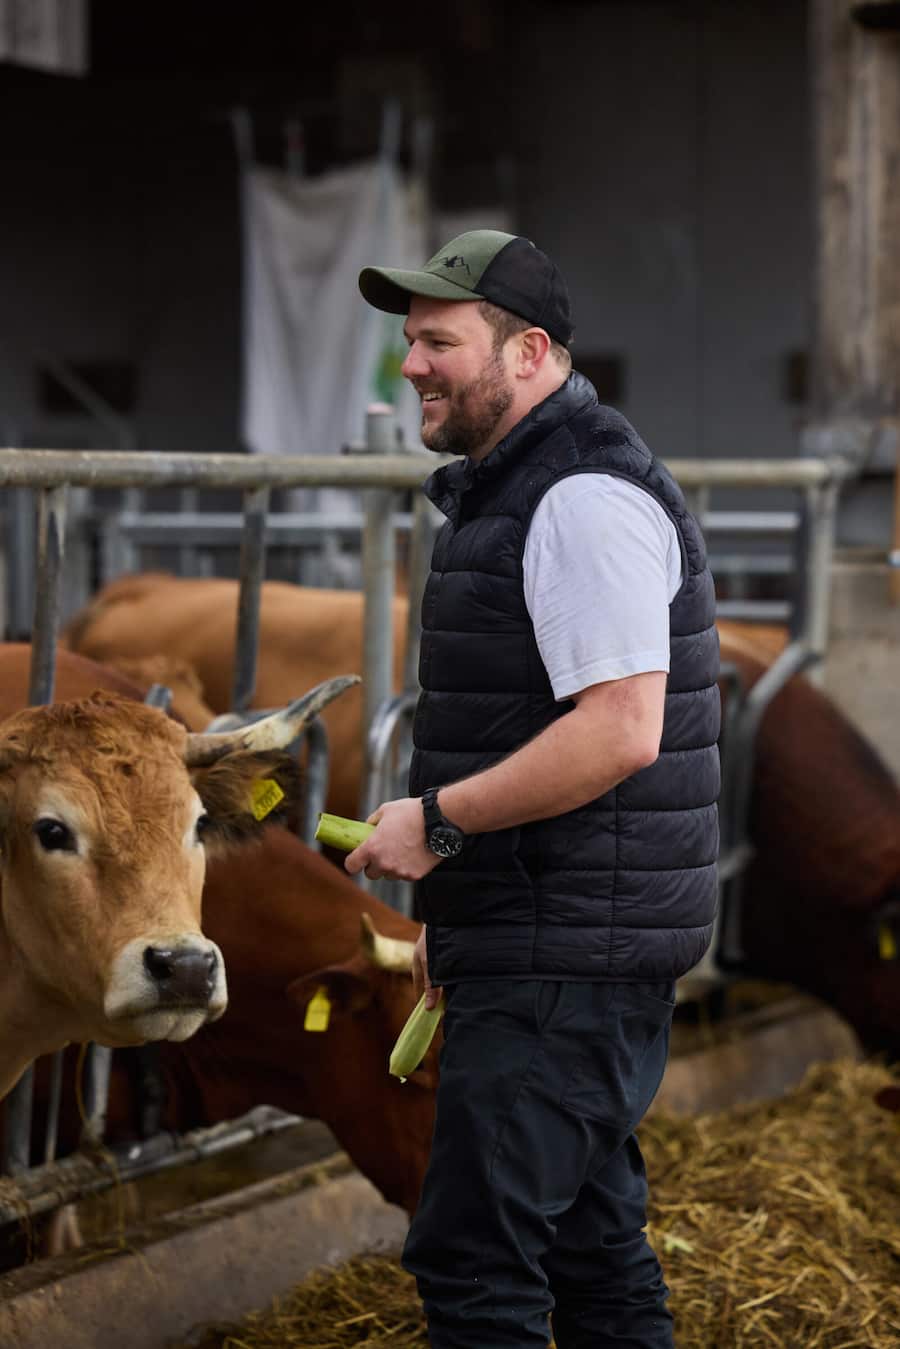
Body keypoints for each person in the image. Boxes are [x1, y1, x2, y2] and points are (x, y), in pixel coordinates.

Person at [347, 229, 720, 1348]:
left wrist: (437, 825)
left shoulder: (580, 500)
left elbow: (618, 733)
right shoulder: (523, 489)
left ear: (529, 353)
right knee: (590, 1252)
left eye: (439, 342)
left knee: (475, 1262)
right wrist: (460, 922)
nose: (411, 364)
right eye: (410, 340)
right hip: (555, 941)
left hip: (570, 959)